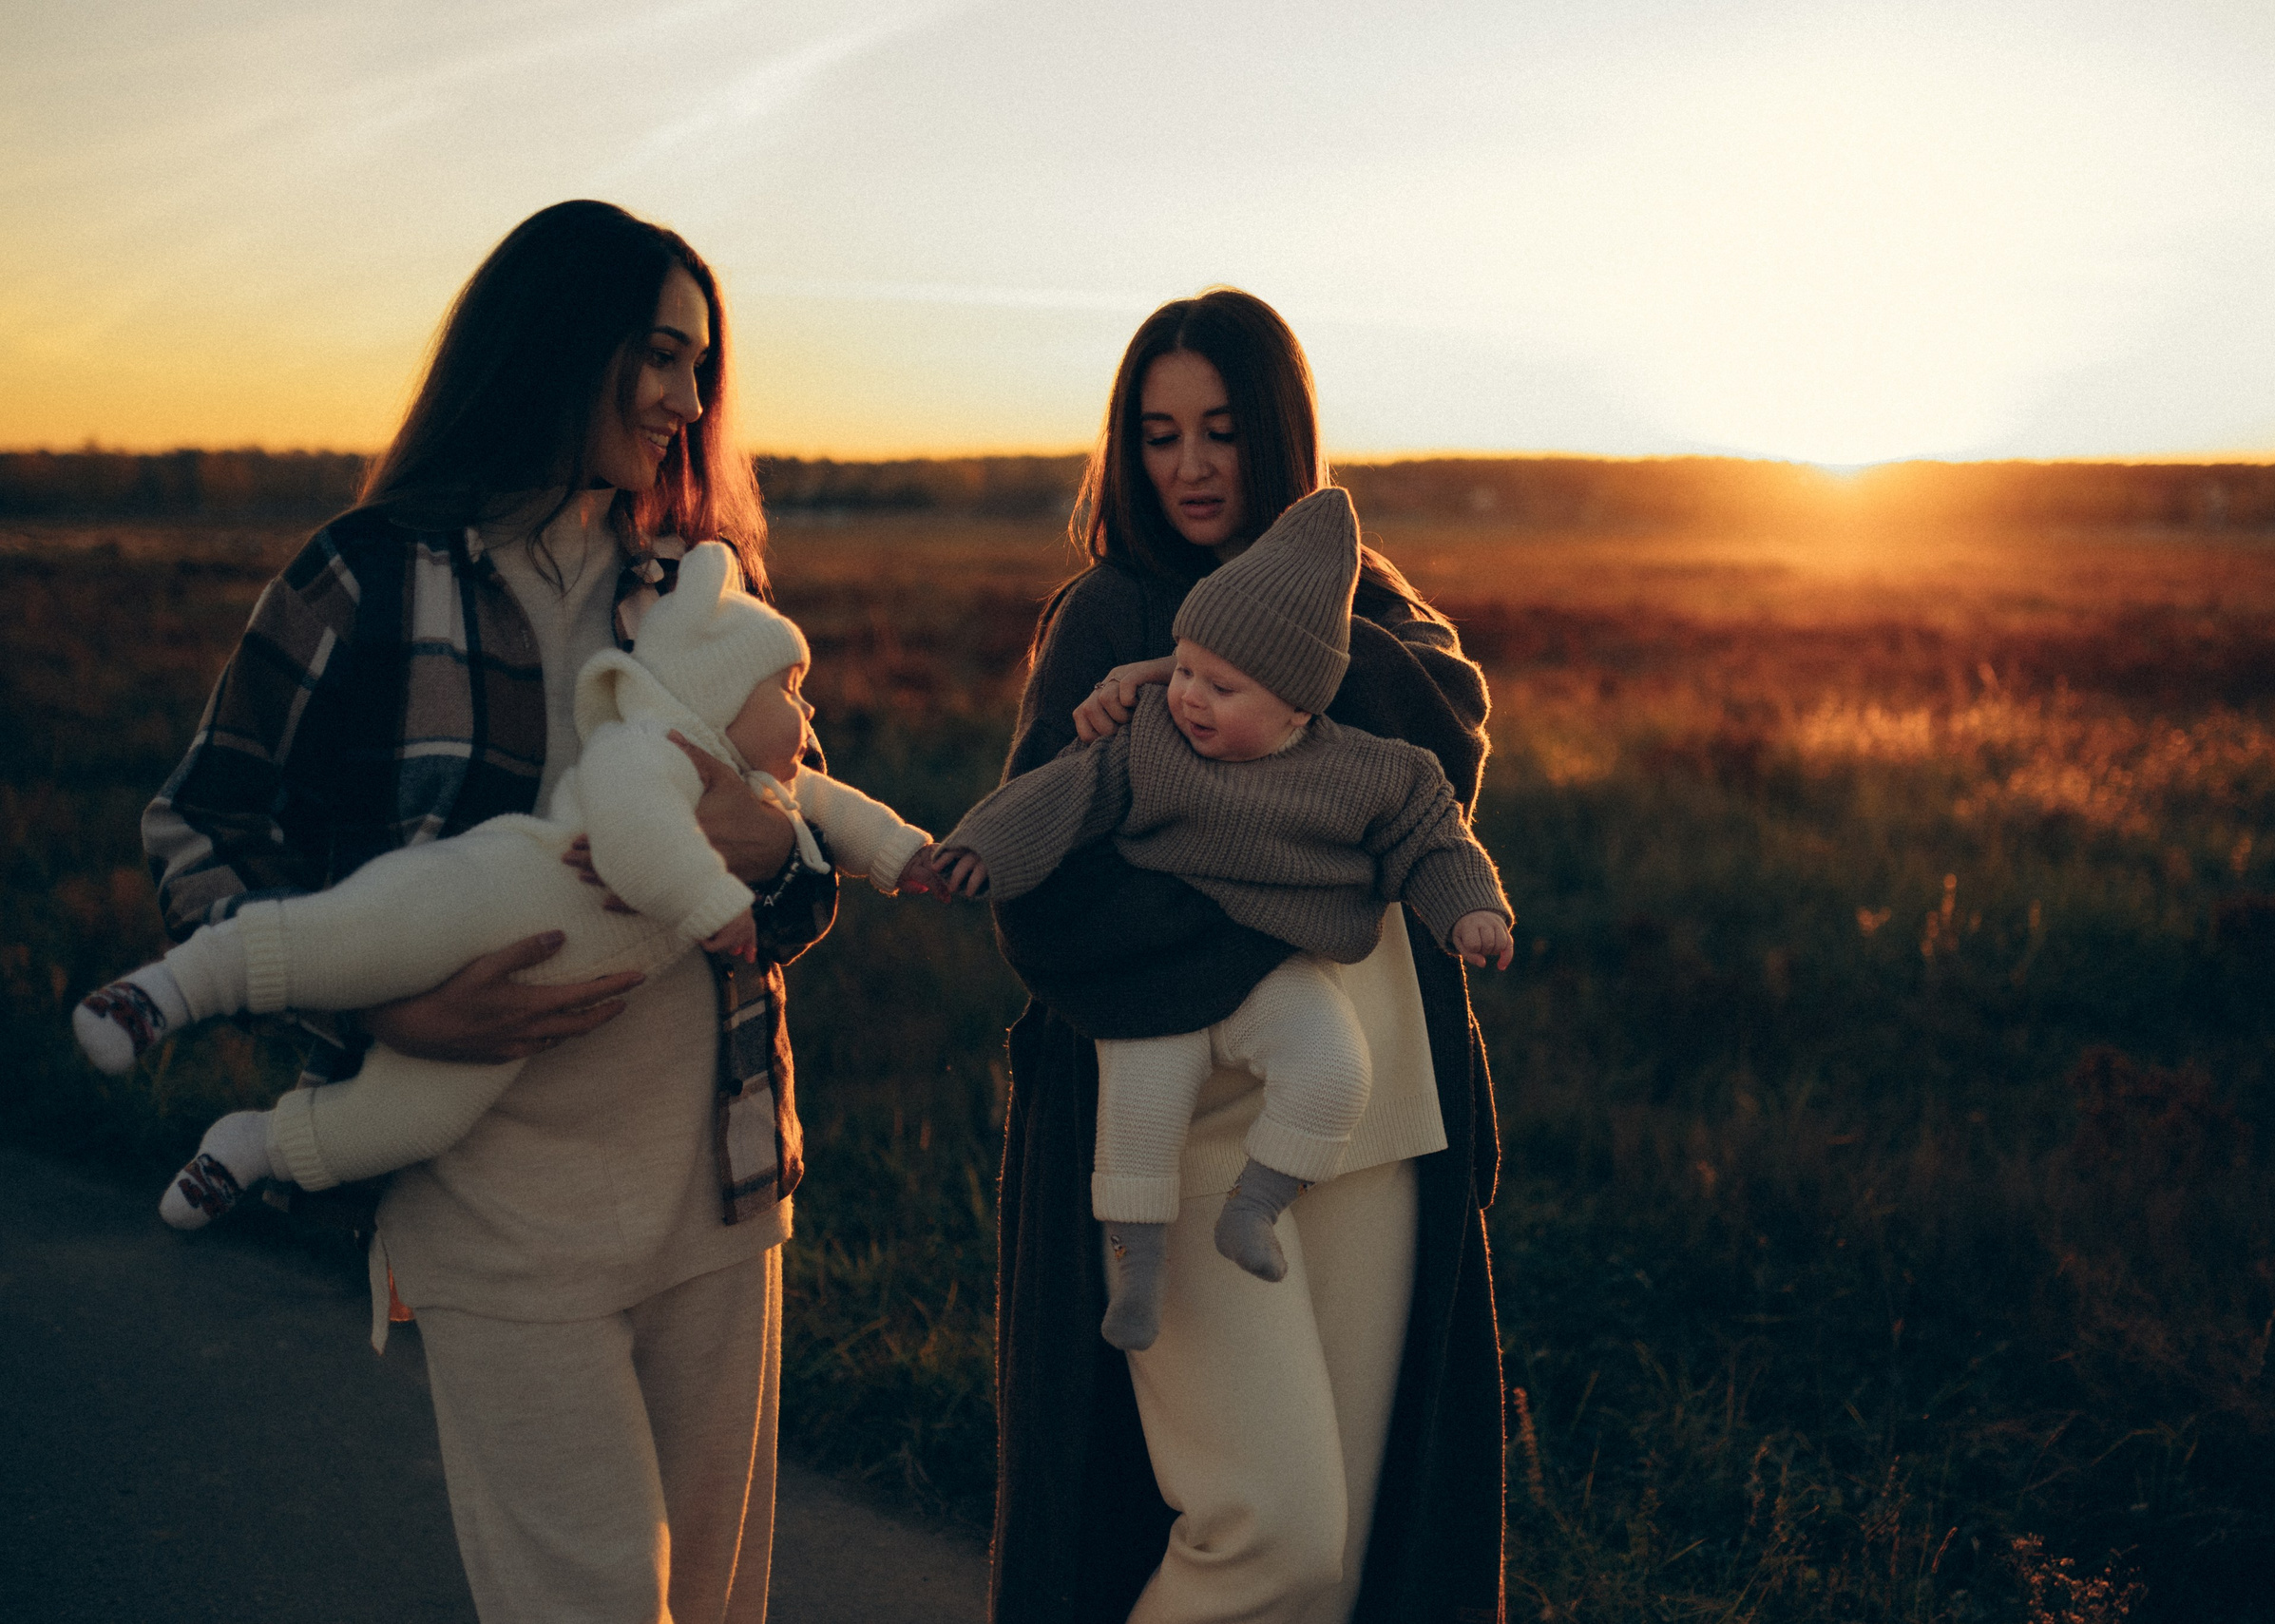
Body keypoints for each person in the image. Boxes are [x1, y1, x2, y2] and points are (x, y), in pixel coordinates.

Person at [140, 199, 832, 1623]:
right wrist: (373, 1005)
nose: (688, 400)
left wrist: (768, 838)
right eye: (655, 356)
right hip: (498, 1222)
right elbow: (200, 829)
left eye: (701, 367)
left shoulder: (698, 589)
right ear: (553, 343)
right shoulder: (365, 575)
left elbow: (803, 877)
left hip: (717, 1199)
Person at [985, 289, 1508, 1623]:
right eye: (1158, 435)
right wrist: (1279, 885)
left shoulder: (1369, 610)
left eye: (1221, 430)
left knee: (1347, 1560)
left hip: (1376, 1127)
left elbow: (1442, 755)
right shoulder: (1107, 616)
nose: (1191, 465)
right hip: (1192, 1131)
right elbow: (1047, 890)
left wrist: (1243, 666)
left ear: (1278, 438)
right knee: (1269, 1536)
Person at [82, 541, 930, 1229]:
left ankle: (261, 1146)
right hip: (485, 900)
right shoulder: (652, 748)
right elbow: (639, 842)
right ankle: (165, 991)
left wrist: (899, 854)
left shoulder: (760, 772)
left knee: (418, 1116)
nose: (808, 712)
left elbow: (835, 830)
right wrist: (718, 903)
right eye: (789, 690)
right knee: (350, 938)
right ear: (716, 693)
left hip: (625, 1112)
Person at [925, 487, 1513, 1354]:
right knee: (1140, 1105)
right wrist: (985, 846)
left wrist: (1471, 909)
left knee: (1333, 1067)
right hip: (1156, 975)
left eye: (1219, 685)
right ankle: (1140, 1271)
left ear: (1299, 706)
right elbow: (1063, 793)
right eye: (1183, 668)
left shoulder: (1365, 772)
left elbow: (1432, 834)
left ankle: (1256, 1208)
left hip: (1281, 975)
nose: (1190, 697)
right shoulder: (1150, 739)